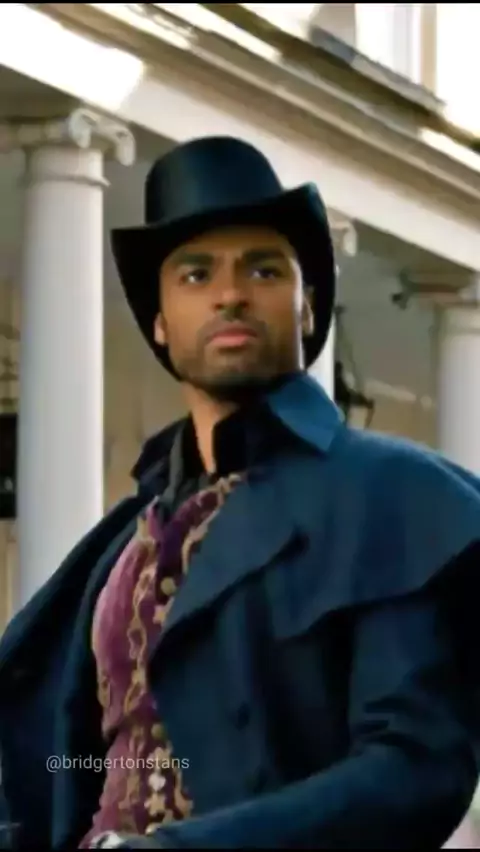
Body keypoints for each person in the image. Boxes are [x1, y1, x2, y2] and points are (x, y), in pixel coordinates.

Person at [0, 136, 480, 851]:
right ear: (160, 322)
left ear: (307, 308)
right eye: (196, 274)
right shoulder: (117, 548)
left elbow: (414, 770)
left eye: (263, 268)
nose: (230, 293)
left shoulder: (393, 500)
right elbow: (62, 767)